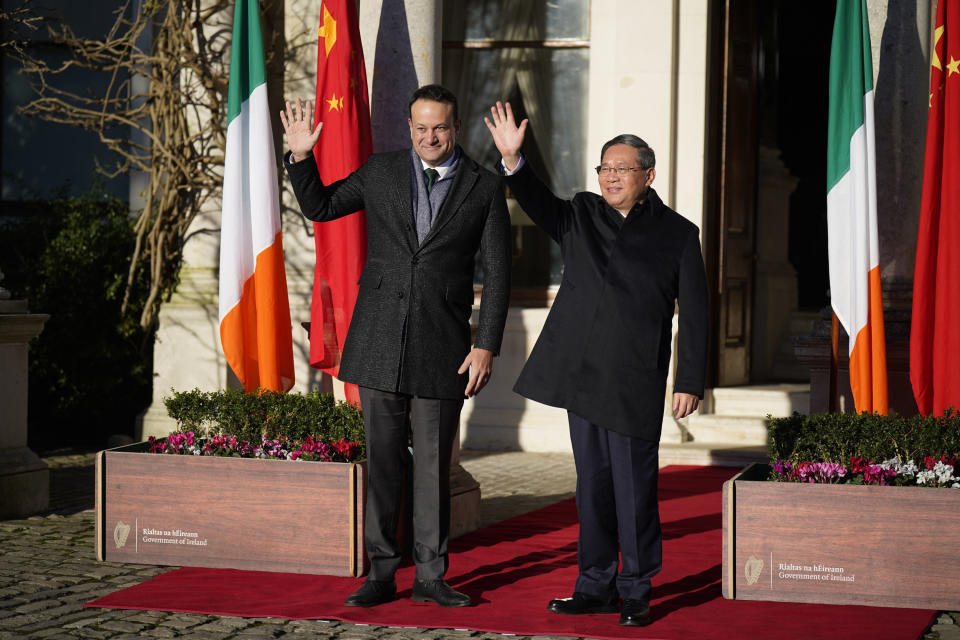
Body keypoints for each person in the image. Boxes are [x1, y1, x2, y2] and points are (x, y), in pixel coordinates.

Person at [281, 85, 511, 608]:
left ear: (456, 127)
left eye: (441, 128)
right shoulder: (380, 171)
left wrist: (487, 344)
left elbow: (498, 275)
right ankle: (381, 573)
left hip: (444, 345)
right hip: (379, 339)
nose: (430, 137)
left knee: (432, 468)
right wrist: (300, 155)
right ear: (409, 128)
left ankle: (431, 576)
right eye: (421, 127)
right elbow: (320, 206)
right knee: (383, 464)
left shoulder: (484, 186)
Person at [485, 102, 709, 626]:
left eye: (622, 168)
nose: (611, 177)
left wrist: (690, 380)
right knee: (593, 487)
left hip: (634, 380)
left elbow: (696, 314)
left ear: (648, 175)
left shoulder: (678, 233)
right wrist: (514, 161)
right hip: (582, 376)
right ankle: (594, 585)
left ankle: (636, 590)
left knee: (635, 490)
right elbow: (539, 204)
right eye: (605, 168)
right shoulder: (580, 213)